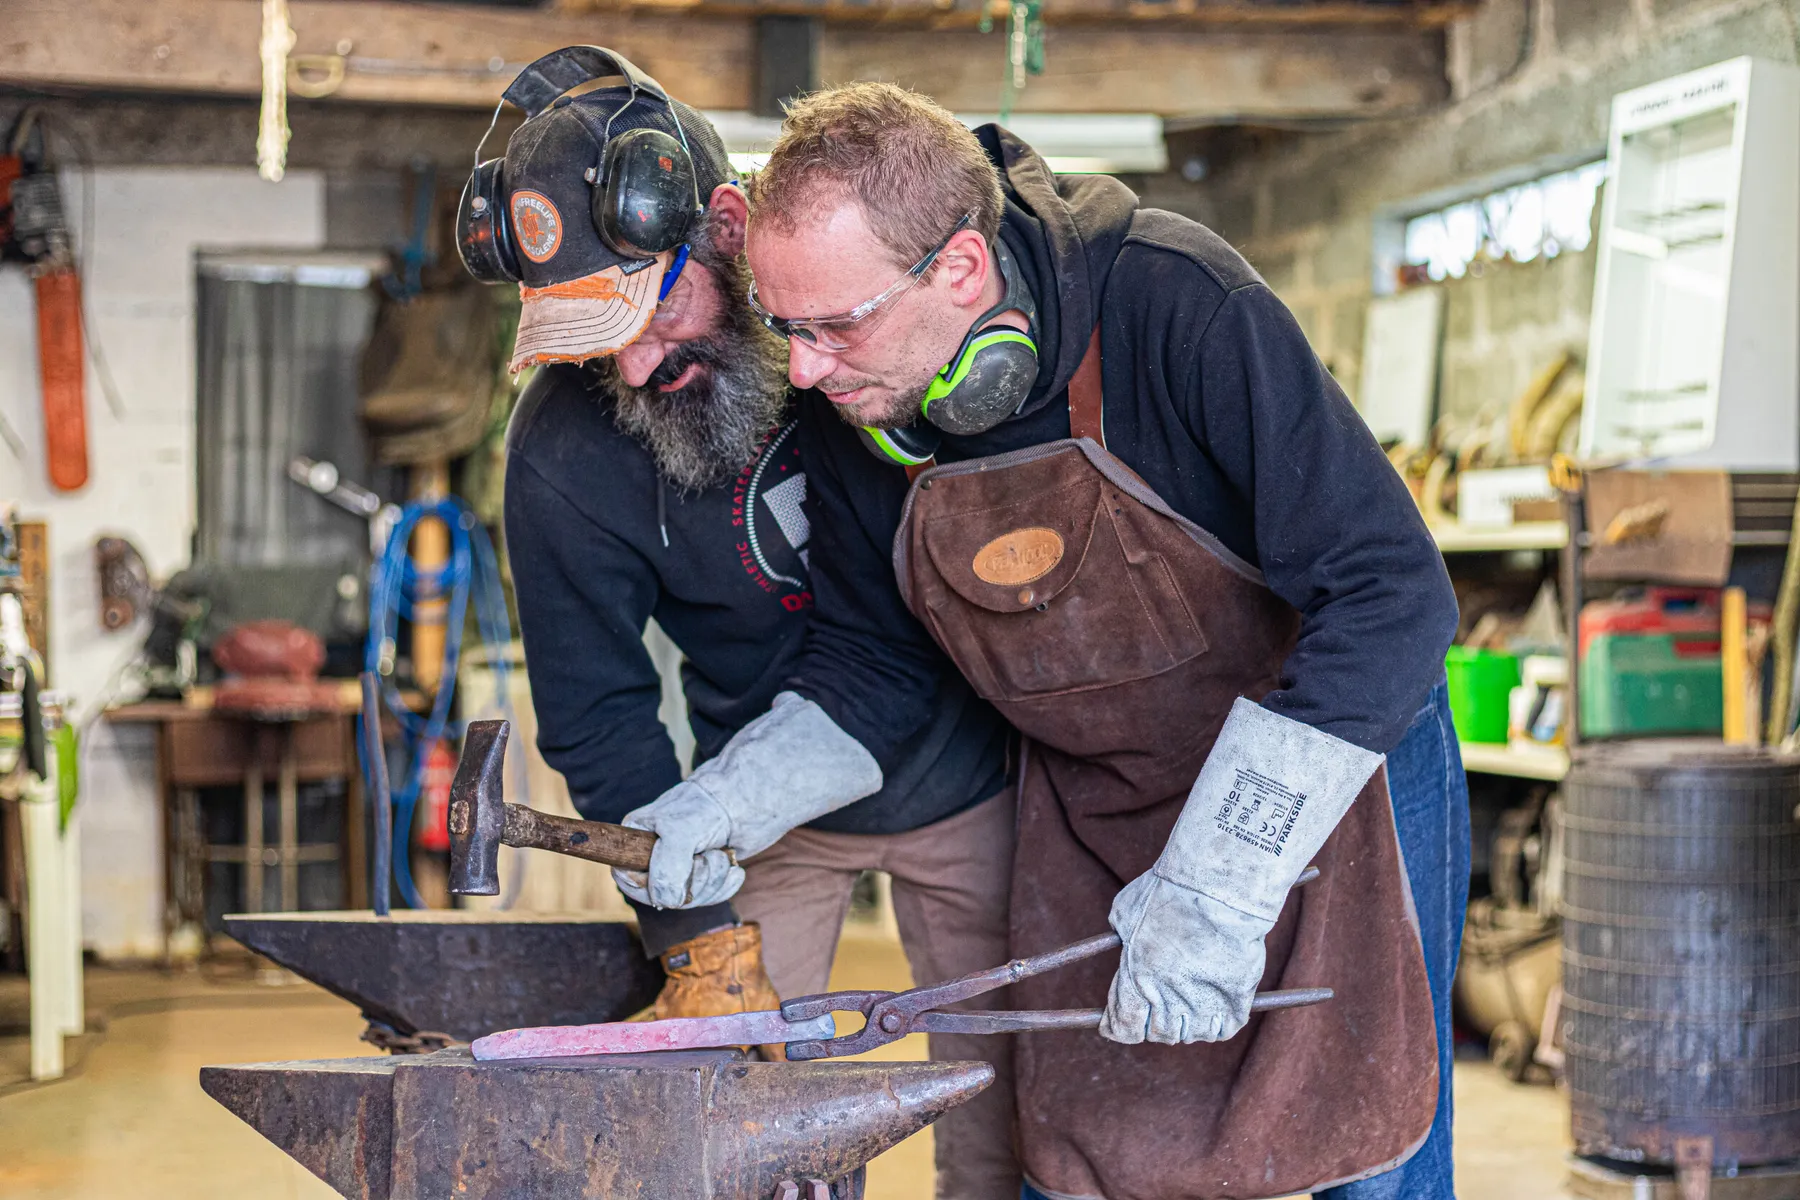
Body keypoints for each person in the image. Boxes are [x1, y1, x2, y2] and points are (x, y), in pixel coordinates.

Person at [619, 82, 1470, 1200]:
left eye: (836, 326)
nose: (809, 370)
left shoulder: (1177, 302)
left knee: (1365, 1131)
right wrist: (734, 796)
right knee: (1084, 1156)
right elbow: (878, 665)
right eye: (786, 329)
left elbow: (1391, 595)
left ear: (961, 271)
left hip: (1327, 791)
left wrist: (1218, 884)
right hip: (1092, 811)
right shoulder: (858, 403)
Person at [465, 50, 1020, 1199]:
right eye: (586, 332)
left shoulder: (854, 324)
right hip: (760, 809)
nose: (628, 360)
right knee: (751, 1126)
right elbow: (599, 713)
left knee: (1010, 1109)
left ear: (725, 228)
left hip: (976, 772)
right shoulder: (564, 455)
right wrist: (697, 938)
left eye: (651, 306)